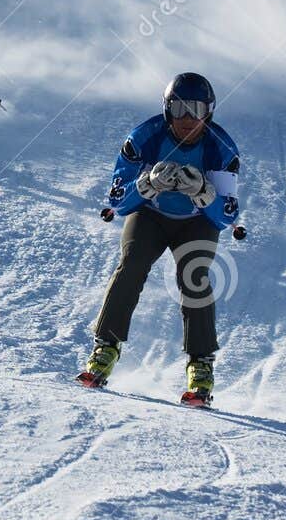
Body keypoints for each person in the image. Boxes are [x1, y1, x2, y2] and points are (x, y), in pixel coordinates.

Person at [78, 72, 241, 407]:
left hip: (196, 221)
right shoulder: (143, 138)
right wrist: (145, 184)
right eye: (179, 108)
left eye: (196, 109)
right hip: (150, 214)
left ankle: (201, 364)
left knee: (193, 274)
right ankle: (104, 347)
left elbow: (226, 215)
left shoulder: (221, 149)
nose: (187, 119)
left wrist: (203, 193)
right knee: (133, 261)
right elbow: (118, 200)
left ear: (208, 112)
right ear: (167, 109)